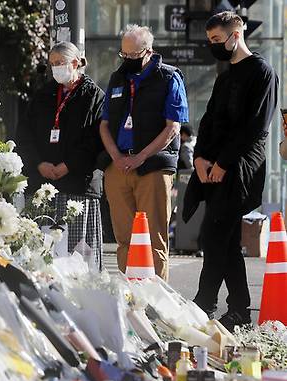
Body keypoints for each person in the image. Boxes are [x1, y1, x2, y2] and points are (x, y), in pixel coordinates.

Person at [184, 12, 279, 331]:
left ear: (235, 34)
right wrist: (200, 158)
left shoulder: (262, 71)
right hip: (215, 166)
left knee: (214, 235)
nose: (213, 46)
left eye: (216, 39)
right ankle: (238, 309)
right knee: (222, 239)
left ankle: (204, 304)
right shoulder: (225, 76)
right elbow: (209, 120)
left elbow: (255, 125)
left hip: (241, 165)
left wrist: (223, 162)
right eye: (210, 40)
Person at [99, 25, 189, 280]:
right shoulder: (117, 78)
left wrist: (141, 157)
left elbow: (173, 128)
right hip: (118, 166)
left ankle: (156, 303)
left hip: (152, 167)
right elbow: (104, 125)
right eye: (123, 55)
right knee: (124, 238)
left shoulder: (169, 77)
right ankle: (130, 296)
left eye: (133, 55)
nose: (127, 60)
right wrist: (115, 156)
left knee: (154, 238)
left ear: (148, 51)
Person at [17, 42, 106, 270]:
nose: (55, 68)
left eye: (60, 63)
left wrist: (69, 165)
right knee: (44, 251)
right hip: (43, 183)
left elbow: (97, 139)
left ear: (75, 63)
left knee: (77, 254)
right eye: (52, 64)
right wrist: (38, 164)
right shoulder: (43, 95)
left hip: (78, 184)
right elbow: (24, 134)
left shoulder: (94, 96)